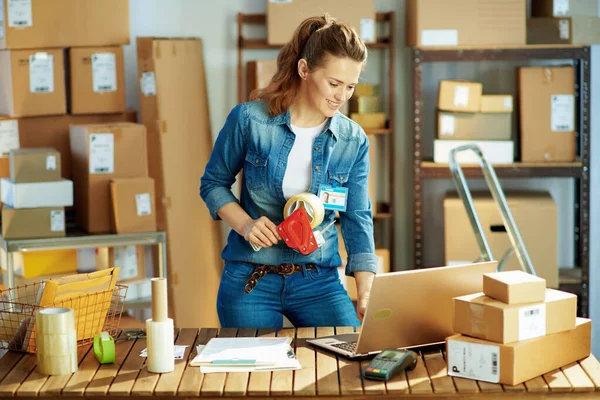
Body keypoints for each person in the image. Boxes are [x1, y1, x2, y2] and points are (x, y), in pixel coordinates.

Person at [200, 14, 377, 328]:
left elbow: (357, 215)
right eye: (334, 83)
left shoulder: (353, 140)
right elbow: (213, 184)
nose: (342, 96)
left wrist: (365, 290)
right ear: (304, 69)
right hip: (251, 277)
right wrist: (245, 225)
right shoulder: (249, 120)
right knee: (252, 375)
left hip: (318, 280)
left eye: (350, 86)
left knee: (346, 359)